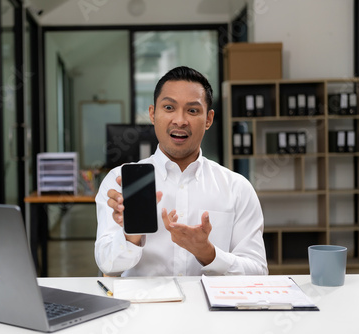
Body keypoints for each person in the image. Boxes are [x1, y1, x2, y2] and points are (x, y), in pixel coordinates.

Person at [94, 66, 268, 277]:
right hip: (143, 309)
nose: (180, 120)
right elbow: (107, 265)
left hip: (210, 309)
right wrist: (132, 236)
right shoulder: (118, 182)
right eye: (169, 107)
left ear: (209, 119)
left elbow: (258, 272)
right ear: (152, 114)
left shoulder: (237, 188)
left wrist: (208, 254)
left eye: (192, 110)